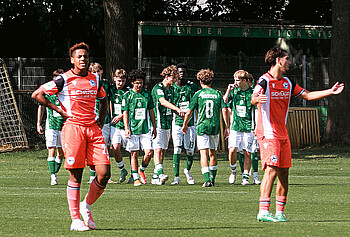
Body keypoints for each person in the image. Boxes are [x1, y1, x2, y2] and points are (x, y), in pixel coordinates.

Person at [252, 46, 344, 222]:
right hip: (268, 133)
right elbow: (253, 97)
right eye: (286, 58)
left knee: (284, 173)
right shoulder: (264, 81)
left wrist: (330, 91)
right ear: (278, 60)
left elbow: (308, 95)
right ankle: (263, 210)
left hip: (283, 134)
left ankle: (279, 212)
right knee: (271, 169)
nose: (289, 62)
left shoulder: (288, 83)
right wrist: (257, 99)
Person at [32, 42, 111, 231]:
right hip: (73, 129)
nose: (83, 59)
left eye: (86, 56)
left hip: (93, 129)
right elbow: (38, 94)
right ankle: (75, 219)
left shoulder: (96, 79)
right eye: (79, 56)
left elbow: (103, 99)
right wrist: (58, 109)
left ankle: (86, 205)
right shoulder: (63, 79)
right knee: (76, 174)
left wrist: (101, 117)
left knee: (104, 173)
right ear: (72, 60)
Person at [182, 69, 229, 187]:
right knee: (213, 153)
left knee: (203, 153)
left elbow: (189, 112)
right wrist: (227, 126)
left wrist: (185, 124)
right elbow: (224, 110)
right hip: (214, 126)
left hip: (202, 126)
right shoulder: (217, 93)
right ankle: (212, 180)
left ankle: (207, 180)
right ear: (211, 80)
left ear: (200, 81)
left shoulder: (198, 94)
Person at [151, 65, 185, 185]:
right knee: (158, 148)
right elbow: (163, 101)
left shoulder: (172, 89)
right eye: (173, 78)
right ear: (166, 76)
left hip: (167, 122)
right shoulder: (158, 87)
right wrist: (177, 109)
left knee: (164, 150)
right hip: (157, 122)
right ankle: (160, 174)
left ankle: (155, 177)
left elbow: (172, 104)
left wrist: (179, 112)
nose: (175, 80)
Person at [122, 69, 157, 186]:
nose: (139, 85)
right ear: (132, 82)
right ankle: (135, 177)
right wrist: (126, 128)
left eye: (141, 82)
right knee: (134, 153)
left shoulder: (147, 94)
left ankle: (141, 170)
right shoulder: (127, 95)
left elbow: (151, 111)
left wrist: (155, 127)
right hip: (132, 129)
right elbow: (125, 112)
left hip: (145, 129)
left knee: (149, 153)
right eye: (137, 82)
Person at [223, 70, 258, 185]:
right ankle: (233, 171)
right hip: (235, 127)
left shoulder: (252, 93)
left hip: (248, 127)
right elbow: (224, 102)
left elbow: (257, 111)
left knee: (247, 152)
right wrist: (228, 90)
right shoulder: (234, 92)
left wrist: (257, 127)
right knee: (232, 150)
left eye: (237, 80)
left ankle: (245, 177)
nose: (235, 82)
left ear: (244, 81)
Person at [171, 63, 198, 185]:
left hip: (191, 123)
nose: (182, 74)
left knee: (190, 150)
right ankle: (176, 177)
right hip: (177, 123)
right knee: (176, 149)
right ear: (176, 73)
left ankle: (187, 170)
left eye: (184, 72)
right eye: (180, 72)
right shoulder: (172, 88)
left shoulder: (192, 87)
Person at [37, 69, 65, 185]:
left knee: (62, 153)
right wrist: (38, 123)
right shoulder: (49, 93)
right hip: (51, 126)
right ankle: (53, 176)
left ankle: (54, 171)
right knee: (51, 149)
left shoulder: (65, 93)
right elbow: (41, 106)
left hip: (63, 127)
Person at [88, 62, 115, 184]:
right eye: (94, 71)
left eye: (98, 71)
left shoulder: (105, 84)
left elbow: (107, 101)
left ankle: (105, 174)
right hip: (92, 119)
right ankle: (92, 175)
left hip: (105, 120)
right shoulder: (88, 83)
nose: (96, 73)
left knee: (106, 147)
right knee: (94, 146)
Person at [109, 69, 129, 183]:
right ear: (115, 79)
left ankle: (134, 173)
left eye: (122, 81)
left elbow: (131, 108)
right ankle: (122, 169)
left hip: (125, 124)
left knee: (131, 150)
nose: (120, 83)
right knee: (115, 147)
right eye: (119, 80)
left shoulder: (128, 91)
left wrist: (121, 116)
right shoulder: (111, 89)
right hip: (114, 125)